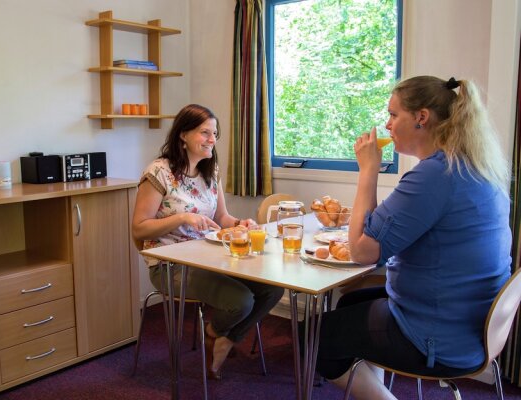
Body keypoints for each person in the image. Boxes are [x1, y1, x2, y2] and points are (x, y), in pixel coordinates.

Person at [315, 76, 512, 399]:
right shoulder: (472, 166)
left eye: (393, 115)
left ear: (421, 117)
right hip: (471, 319)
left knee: (315, 336)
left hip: (439, 335)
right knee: (350, 301)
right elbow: (380, 230)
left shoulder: (436, 174)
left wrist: (367, 171)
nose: (387, 125)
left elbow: (362, 251)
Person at [132, 104, 284, 380]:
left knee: (273, 289)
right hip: (170, 265)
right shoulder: (158, 173)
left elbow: (221, 217)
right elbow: (140, 228)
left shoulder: (209, 173)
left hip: (209, 258)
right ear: (183, 135)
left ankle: (221, 336)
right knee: (242, 301)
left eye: (214, 133)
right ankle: (216, 334)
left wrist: (240, 224)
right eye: (205, 133)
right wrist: (181, 219)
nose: (213, 139)